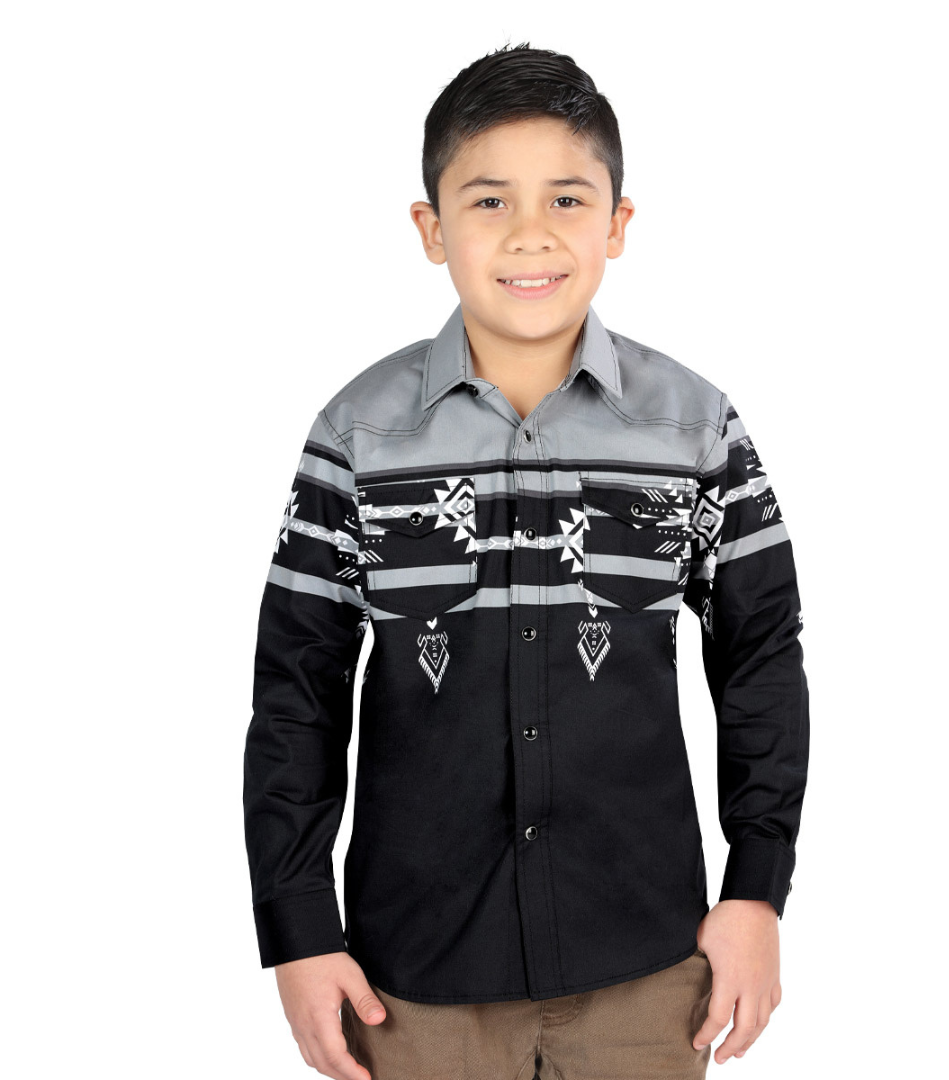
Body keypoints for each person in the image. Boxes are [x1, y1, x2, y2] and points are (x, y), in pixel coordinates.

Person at [243, 41, 810, 1080]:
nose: (531, 234)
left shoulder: (696, 429)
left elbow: (761, 658)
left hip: (649, 970)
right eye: (490, 200)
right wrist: (298, 928)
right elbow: (295, 694)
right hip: (414, 983)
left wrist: (757, 891)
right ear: (432, 228)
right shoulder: (357, 437)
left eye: (567, 199)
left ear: (617, 223)